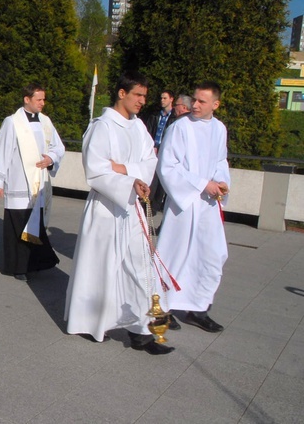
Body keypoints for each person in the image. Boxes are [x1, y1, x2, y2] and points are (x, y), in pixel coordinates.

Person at [65, 72, 174, 355]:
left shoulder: (139, 128)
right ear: (121, 94)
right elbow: (95, 170)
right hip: (106, 208)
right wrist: (128, 178)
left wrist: (124, 169)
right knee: (101, 267)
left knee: (140, 268)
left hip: (133, 206)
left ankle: (142, 331)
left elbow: (151, 161)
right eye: (137, 95)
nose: (142, 101)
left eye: (145, 97)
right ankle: (91, 321)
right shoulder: (101, 127)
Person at [156, 81, 230, 333]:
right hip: (185, 204)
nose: (194, 105)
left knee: (211, 255)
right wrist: (201, 184)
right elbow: (167, 166)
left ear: (215, 104)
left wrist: (221, 182)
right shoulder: (180, 128)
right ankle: (163, 307)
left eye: (201, 101)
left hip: (208, 205)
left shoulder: (219, 129)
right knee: (174, 254)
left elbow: (221, 160)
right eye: (194, 100)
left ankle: (198, 307)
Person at [0, 83, 65, 282]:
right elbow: (2, 151)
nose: (42, 103)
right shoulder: (12, 122)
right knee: (19, 227)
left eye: (43, 99)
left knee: (36, 225)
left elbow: (58, 147)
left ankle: (34, 263)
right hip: (18, 183)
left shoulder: (46, 122)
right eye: (38, 99)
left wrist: (51, 158)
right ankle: (17, 267)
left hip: (39, 184)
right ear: (26, 99)